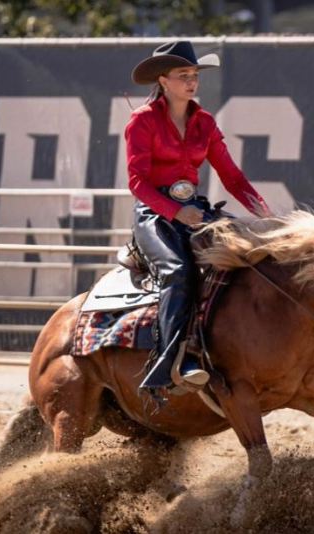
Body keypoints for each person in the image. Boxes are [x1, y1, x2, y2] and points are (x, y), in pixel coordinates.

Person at [124, 41, 271, 396]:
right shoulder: (142, 122)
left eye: (194, 76)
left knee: (253, 256)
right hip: (155, 215)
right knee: (179, 272)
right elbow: (138, 182)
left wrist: (265, 214)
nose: (192, 82)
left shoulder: (204, 122)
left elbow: (233, 177)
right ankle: (168, 363)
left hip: (196, 210)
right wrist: (176, 211)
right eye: (183, 76)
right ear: (163, 81)